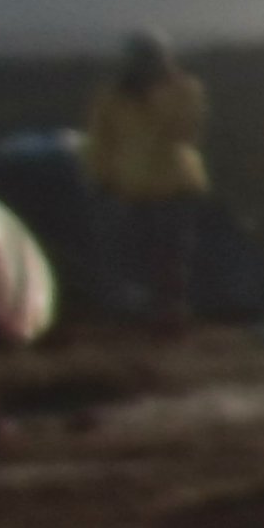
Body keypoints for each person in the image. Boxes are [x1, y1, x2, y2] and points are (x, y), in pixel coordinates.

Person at [83, 29, 210, 330]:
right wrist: (100, 178)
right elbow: (100, 140)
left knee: (172, 257)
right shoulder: (111, 97)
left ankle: (171, 317)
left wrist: (162, 92)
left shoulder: (186, 90)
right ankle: (136, 317)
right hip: (130, 187)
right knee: (132, 257)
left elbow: (186, 131)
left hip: (174, 186)